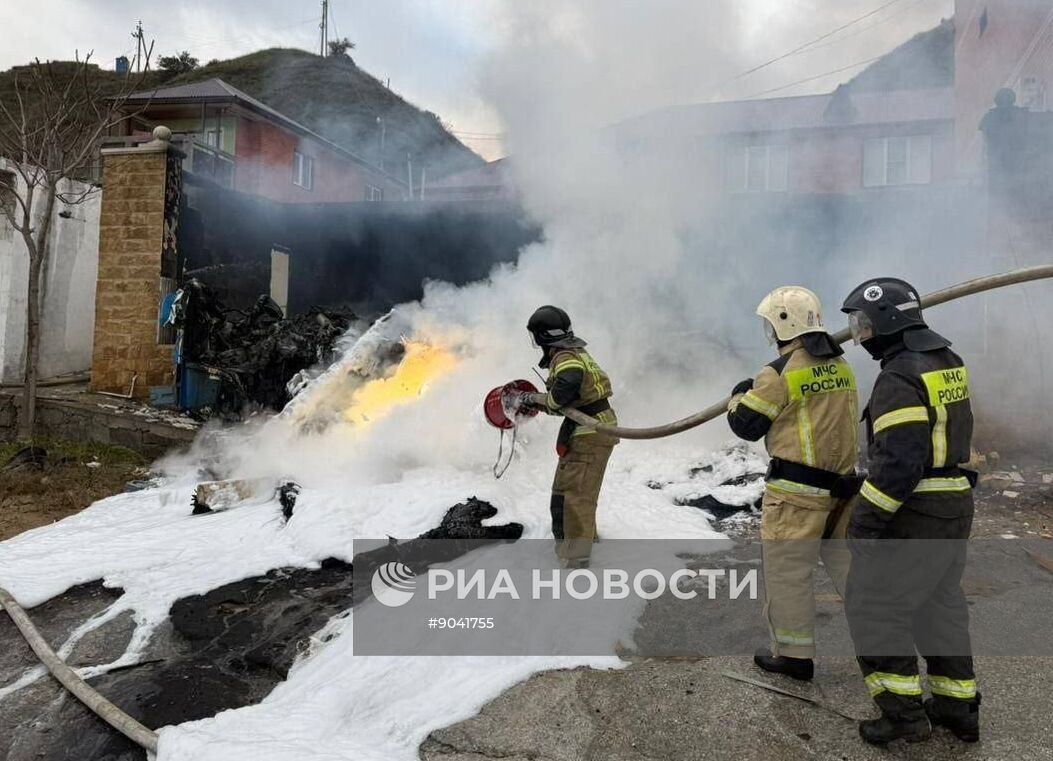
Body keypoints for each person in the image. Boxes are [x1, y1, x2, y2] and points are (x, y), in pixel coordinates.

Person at [841, 278, 980, 747]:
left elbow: (899, 462)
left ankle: (903, 717)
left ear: (886, 320)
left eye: (861, 324)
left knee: (875, 606)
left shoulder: (899, 376)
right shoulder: (947, 360)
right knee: (939, 606)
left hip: (917, 511)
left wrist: (865, 520)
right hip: (954, 505)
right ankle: (957, 707)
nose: (860, 335)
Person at [727, 286, 860, 681]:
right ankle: (885, 642)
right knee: (854, 570)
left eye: (771, 323)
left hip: (797, 497)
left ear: (784, 323)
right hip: (843, 490)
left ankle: (793, 657)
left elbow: (745, 425)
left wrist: (739, 396)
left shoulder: (779, 373)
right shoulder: (841, 365)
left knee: (788, 574)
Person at [527, 306, 618, 568]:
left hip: (590, 432)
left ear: (543, 337)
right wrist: (538, 402)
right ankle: (583, 541)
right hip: (594, 427)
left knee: (573, 494)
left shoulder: (565, 356)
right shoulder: (576, 352)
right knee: (576, 490)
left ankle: (576, 558)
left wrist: (549, 399)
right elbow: (568, 402)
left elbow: (568, 383)